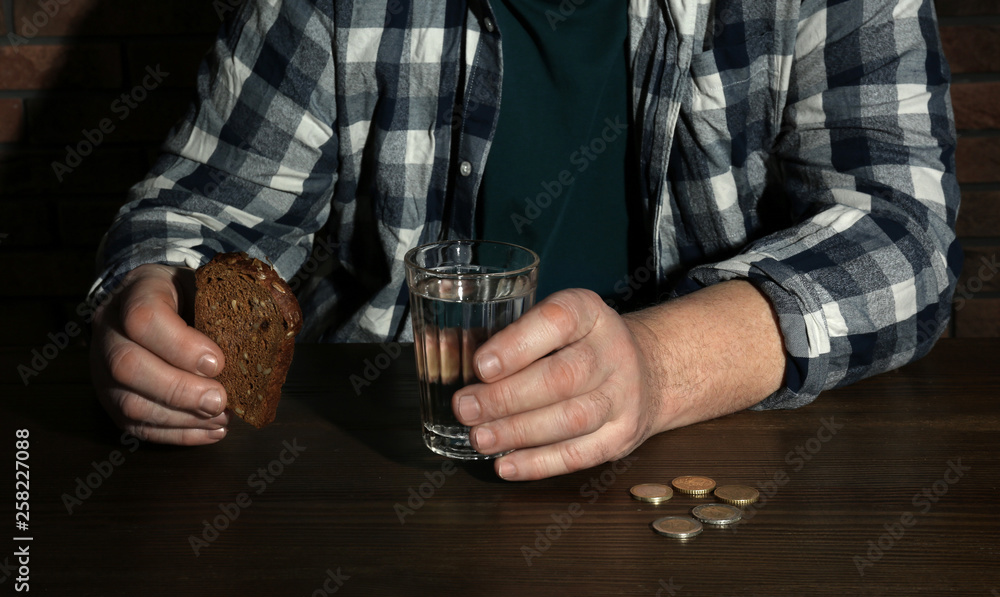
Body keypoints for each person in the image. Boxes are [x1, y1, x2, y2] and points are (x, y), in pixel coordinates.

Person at [88, 0, 961, 481]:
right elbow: (201, 212)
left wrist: (657, 368)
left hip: (714, 461)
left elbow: (906, 233)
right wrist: (148, 297)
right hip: (382, 468)